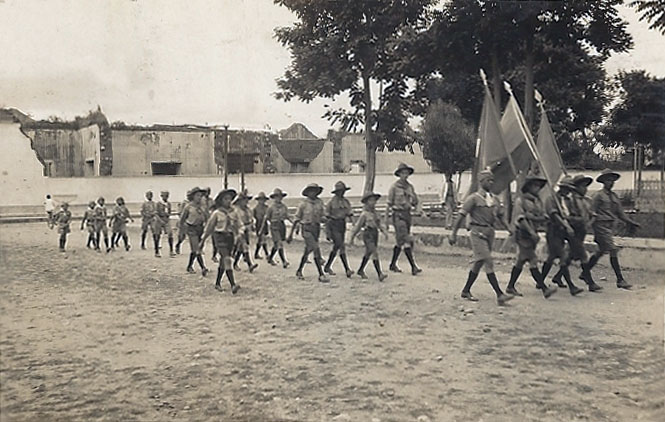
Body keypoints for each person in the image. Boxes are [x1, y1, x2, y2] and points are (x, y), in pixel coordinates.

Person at [449, 170, 514, 305]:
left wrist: (509, 228)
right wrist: (453, 233)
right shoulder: (473, 199)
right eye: (488, 180)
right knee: (488, 260)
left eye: (492, 180)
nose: (491, 182)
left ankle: (466, 290)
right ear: (481, 181)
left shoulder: (494, 199)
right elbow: (461, 215)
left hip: (489, 232)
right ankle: (500, 295)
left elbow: (501, 216)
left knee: (479, 263)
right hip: (477, 232)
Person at [505, 175, 559, 298]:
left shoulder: (537, 201)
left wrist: (541, 219)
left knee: (521, 261)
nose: (537, 188)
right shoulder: (520, 201)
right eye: (535, 185)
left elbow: (540, 216)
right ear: (529, 187)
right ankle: (544, 289)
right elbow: (521, 219)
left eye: (539, 186)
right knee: (532, 260)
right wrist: (531, 232)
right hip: (524, 234)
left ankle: (510, 286)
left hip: (532, 233)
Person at [586, 169, 640, 289]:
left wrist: (631, 223)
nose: (611, 182)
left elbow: (620, 213)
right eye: (608, 180)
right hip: (600, 226)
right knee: (613, 249)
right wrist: (591, 225)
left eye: (612, 180)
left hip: (609, 227)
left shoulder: (614, 196)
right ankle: (620, 280)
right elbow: (591, 212)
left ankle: (584, 273)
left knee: (600, 251)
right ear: (603, 182)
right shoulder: (598, 196)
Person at [550, 174, 601, 292]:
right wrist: (576, 220)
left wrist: (588, 221)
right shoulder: (570, 200)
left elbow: (589, 215)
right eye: (582, 186)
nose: (585, 189)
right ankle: (590, 283)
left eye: (586, 186)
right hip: (572, 231)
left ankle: (556, 277)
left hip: (580, 231)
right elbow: (567, 216)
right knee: (583, 256)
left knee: (568, 257)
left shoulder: (586, 200)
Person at [540, 177, 587, 294]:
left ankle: (540, 280)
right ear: (561, 188)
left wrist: (572, 221)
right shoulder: (551, 200)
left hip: (565, 231)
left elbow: (572, 215)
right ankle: (571, 286)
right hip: (554, 230)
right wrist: (566, 225)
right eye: (566, 189)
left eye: (569, 189)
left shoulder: (568, 201)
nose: (568, 191)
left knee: (553, 257)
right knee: (562, 256)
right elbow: (554, 215)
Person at [200, 189, 241, 294]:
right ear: (221, 201)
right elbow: (209, 228)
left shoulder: (234, 212)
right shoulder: (217, 213)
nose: (228, 201)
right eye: (225, 199)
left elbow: (238, 226)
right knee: (227, 259)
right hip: (220, 237)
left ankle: (217, 283)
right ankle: (233, 284)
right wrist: (203, 241)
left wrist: (239, 235)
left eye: (230, 199)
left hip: (230, 238)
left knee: (223, 262)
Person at [288, 183, 329, 282]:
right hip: (306, 229)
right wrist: (290, 234)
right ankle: (321, 274)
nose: (313, 193)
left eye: (315, 190)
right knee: (315, 248)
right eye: (311, 190)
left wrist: (325, 219)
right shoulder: (303, 204)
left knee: (307, 251)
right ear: (307, 192)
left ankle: (299, 270)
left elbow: (323, 216)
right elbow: (296, 219)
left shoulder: (320, 203)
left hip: (316, 229)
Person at [386, 163, 422, 275]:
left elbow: (416, 200)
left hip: (407, 215)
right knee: (406, 240)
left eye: (406, 173)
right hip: (398, 215)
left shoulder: (410, 187)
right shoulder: (394, 187)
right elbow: (388, 204)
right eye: (403, 173)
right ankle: (413, 267)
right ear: (399, 174)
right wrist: (386, 220)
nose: (405, 175)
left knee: (400, 241)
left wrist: (418, 208)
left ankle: (392, 264)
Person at [349, 192, 389, 281]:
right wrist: (352, 237)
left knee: (368, 253)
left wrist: (385, 232)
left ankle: (360, 270)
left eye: (374, 200)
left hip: (375, 234)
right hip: (368, 234)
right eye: (371, 200)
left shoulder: (376, 213)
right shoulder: (364, 214)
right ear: (366, 202)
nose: (373, 202)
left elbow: (379, 224)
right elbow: (357, 226)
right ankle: (380, 274)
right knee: (374, 252)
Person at [324, 181, 354, 278]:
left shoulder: (346, 202)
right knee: (340, 245)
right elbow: (326, 218)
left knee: (337, 246)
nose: (342, 193)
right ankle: (347, 269)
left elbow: (350, 213)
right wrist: (327, 232)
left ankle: (328, 266)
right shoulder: (331, 202)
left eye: (343, 191)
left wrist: (354, 224)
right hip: (333, 224)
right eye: (340, 191)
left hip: (342, 224)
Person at [180, 187, 209, 275]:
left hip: (200, 228)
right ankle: (203, 267)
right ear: (192, 196)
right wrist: (183, 230)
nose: (199, 197)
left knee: (196, 249)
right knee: (197, 248)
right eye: (197, 195)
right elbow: (182, 220)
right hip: (191, 228)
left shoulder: (202, 206)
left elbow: (207, 217)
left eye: (200, 196)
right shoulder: (188, 207)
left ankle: (189, 266)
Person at [262, 188, 291, 268]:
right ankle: (284, 261)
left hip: (281, 225)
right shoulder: (271, 208)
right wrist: (262, 230)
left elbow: (287, 216)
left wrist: (295, 223)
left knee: (276, 244)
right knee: (279, 244)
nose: (279, 198)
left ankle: (270, 257)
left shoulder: (284, 207)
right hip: (274, 226)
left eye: (280, 196)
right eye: (277, 197)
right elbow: (266, 218)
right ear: (274, 198)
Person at [231, 191, 259, 273]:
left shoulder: (248, 210)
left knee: (241, 248)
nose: (246, 202)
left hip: (247, 229)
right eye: (244, 200)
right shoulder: (236, 210)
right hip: (239, 230)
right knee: (244, 246)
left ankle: (235, 263)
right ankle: (250, 264)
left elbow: (251, 219)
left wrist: (252, 225)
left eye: (247, 200)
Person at [154, 190, 176, 258]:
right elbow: (156, 214)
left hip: (166, 220)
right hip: (159, 220)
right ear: (161, 196)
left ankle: (171, 251)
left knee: (170, 234)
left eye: (167, 196)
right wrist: (160, 220)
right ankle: (157, 251)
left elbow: (169, 212)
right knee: (157, 235)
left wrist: (167, 216)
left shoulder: (169, 204)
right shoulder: (158, 204)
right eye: (164, 196)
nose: (165, 197)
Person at [253, 192, 270, 259]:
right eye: (260, 200)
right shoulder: (255, 208)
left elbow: (268, 216)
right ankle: (267, 254)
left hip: (265, 224)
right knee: (263, 239)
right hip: (258, 224)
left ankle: (256, 254)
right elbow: (254, 216)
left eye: (263, 200)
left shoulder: (266, 207)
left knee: (261, 240)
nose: (262, 201)